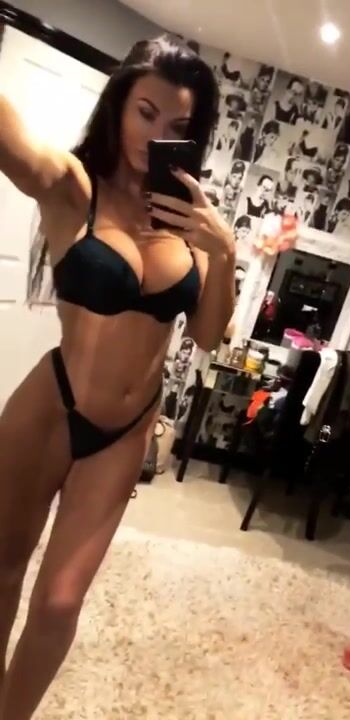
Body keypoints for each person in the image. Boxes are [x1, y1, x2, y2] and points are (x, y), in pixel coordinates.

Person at [0, 35, 236, 718]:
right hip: (53, 403)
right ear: (118, 106)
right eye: (145, 112)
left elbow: (208, 334)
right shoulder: (74, 188)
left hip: (126, 430)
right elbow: (20, 148)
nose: (157, 135)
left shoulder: (189, 221)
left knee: (59, 602)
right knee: (3, 567)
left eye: (177, 125)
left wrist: (224, 252)